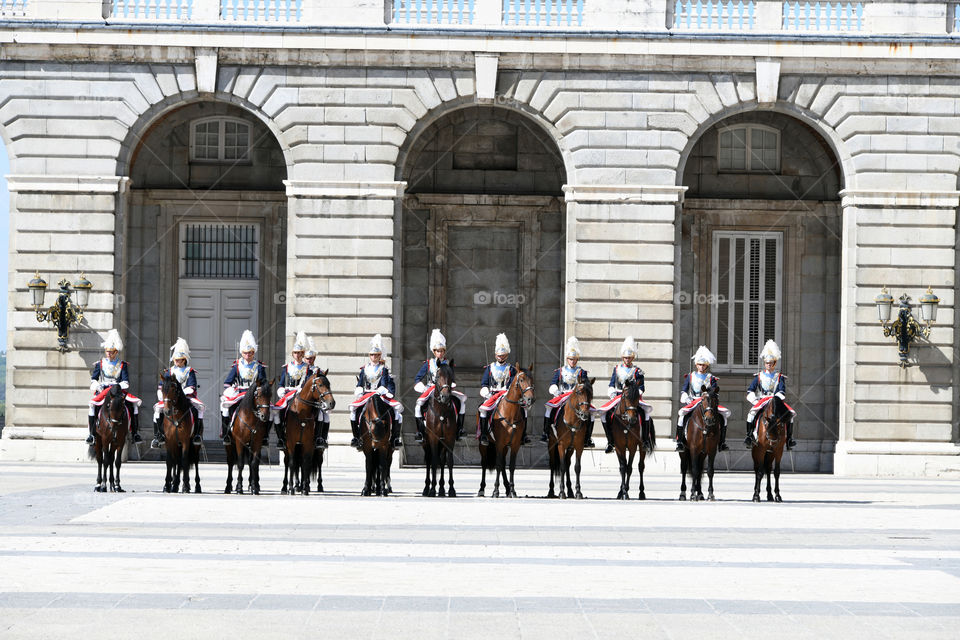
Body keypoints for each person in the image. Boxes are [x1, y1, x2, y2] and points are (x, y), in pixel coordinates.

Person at [596, 336, 654, 453]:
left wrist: (634, 394)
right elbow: (612, 383)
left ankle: (645, 441)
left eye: (629, 357)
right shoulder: (617, 369)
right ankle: (610, 441)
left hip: (632, 399)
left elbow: (641, 387)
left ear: (632, 358)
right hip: (618, 396)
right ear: (623, 357)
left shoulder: (637, 371)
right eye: (626, 357)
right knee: (604, 414)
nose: (627, 359)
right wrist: (611, 391)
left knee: (645, 413)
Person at [87, 329, 142, 445]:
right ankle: (91, 434)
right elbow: (93, 380)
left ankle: (135, 433)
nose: (109, 354)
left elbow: (126, 382)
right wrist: (98, 386)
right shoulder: (100, 364)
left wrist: (115, 385)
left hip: (117, 391)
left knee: (133, 405)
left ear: (116, 352)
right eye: (107, 351)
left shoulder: (122, 365)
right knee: (92, 405)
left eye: (111, 352)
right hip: (103, 391)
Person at [350, 334, 404, 449]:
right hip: (366, 394)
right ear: (370, 356)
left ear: (380, 356)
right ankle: (356, 437)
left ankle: (394, 438)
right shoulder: (364, 369)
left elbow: (384, 382)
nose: (374, 357)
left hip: (379, 394)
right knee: (353, 411)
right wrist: (359, 390)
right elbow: (360, 383)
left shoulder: (383, 369)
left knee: (396, 412)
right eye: (372, 355)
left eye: (376, 355)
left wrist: (381, 390)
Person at [413, 329, 466, 442]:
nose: (440, 353)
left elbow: (452, 377)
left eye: (442, 351)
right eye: (438, 351)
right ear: (434, 351)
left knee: (461, 402)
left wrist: (451, 383)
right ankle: (420, 432)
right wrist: (421, 387)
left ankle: (460, 429)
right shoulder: (428, 363)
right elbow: (418, 378)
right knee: (418, 406)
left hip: (445, 388)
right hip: (431, 389)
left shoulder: (448, 364)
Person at [274, 331, 325, 448]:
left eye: (300, 353)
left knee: (320, 414)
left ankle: (318, 438)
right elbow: (281, 383)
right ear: (292, 354)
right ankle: (281, 438)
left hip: (302, 394)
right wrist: (281, 390)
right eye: (295, 353)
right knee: (276, 413)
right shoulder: (286, 367)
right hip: (289, 394)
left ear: (303, 354)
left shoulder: (308, 368)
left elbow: (308, 384)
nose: (297, 355)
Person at [151, 337, 205, 448]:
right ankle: (158, 436)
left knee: (199, 408)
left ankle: (197, 434)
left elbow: (192, 387)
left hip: (186, 397)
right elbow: (162, 385)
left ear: (184, 360)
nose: (176, 361)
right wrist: (162, 395)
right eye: (175, 359)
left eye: (179, 359)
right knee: (157, 409)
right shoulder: (169, 371)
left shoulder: (189, 371)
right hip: (170, 398)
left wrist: (181, 393)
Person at [542, 337, 595, 447]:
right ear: (567, 359)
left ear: (577, 359)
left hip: (578, 397)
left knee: (592, 413)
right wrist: (555, 391)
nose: (573, 361)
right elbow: (553, 383)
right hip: (563, 395)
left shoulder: (582, 372)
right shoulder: (560, 371)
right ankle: (546, 433)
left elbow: (586, 386)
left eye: (574, 359)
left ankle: (587, 438)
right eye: (571, 359)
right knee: (549, 408)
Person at [745, 340, 798, 449]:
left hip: (776, 401)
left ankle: (789, 439)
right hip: (762, 400)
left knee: (790, 415)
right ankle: (749, 436)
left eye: (771, 363)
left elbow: (782, 391)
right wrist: (755, 401)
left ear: (774, 363)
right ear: (764, 363)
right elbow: (750, 390)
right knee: (751, 414)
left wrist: (775, 400)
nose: (768, 365)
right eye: (767, 363)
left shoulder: (779, 377)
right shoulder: (759, 376)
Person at [676, 345, 730, 452]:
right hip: (693, 401)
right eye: (700, 365)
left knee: (723, 417)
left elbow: (714, 392)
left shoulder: (711, 378)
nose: (701, 367)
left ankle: (722, 442)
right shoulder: (690, 376)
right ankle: (680, 442)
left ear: (707, 365)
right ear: (696, 365)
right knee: (681, 416)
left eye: (703, 365)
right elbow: (684, 390)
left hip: (707, 403)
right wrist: (686, 398)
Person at [220, 329, 268, 445]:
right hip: (240, 392)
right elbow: (227, 382)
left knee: (268, 409)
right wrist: (230, 389)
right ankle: (227, 433)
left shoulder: (259, 366)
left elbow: (263, 382)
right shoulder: (237, 365)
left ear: (253, 352)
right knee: (225, 407)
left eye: (250, 352)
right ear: (242, 353)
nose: (248, 355)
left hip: (255, 394)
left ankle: (264, 436)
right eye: (245, 353)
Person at [477, 333, 525, 446]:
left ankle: (523, 435)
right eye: (499, 355)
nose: (501, 357)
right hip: (492, 394)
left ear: (507, 355)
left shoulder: (511, 369)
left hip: (506, 394)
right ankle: (484, 434)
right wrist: (486, 392)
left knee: (523, 409)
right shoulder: (490, 368)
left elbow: (514, 384)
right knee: (483, 409)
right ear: (495, 355)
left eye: (503, 355)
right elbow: (484, 383)